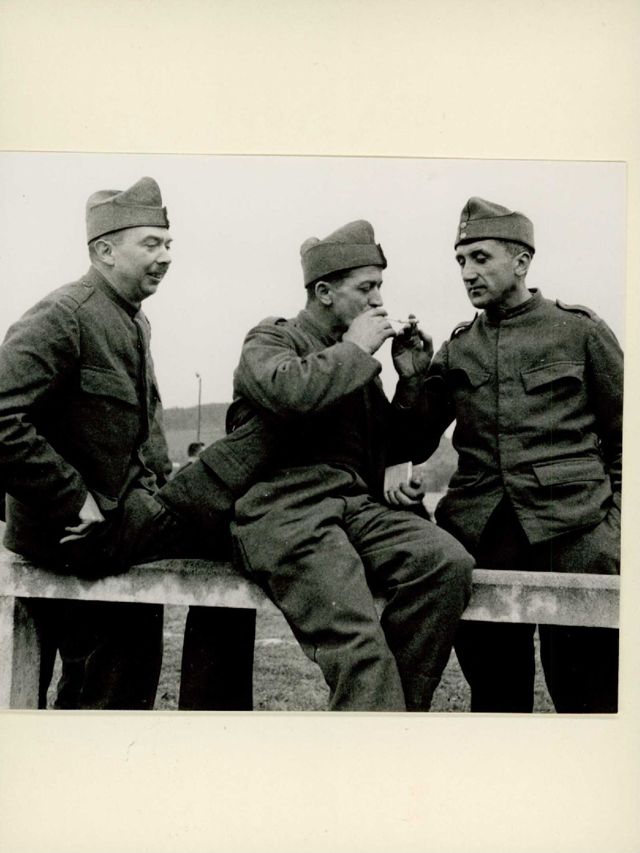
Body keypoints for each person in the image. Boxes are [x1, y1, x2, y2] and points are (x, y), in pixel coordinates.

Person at [0, 177, 254, 710]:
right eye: (151, 244)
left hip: (121, 523)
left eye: (168, 244)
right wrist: (71, 498)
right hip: (75, 532)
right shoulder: (65, 315)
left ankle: (209, 721)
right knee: (240, 532)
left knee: (241, 533)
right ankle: (212, 725)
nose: (166, 257)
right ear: (105, 251)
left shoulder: (132, 320)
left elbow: (138, 438)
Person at [226, 219, 475, 711]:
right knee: (360, 649)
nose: (378, 300)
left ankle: (389, 722)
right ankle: (379, 731)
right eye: (366, 288)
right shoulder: (272, 339)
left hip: (352, 509)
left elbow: (393, 449)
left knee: (446, 564)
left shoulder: (358, 363)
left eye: (380, 286)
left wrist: (410, 381)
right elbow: (288, 392)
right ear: (324, 292)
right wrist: (357, 349)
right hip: (287, 514)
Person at [395, 197, 622, 713]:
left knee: (588, 699)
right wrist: (411, 378)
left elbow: (625, 438)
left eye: (481, 258)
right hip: (482, 541)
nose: (467, 272)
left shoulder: (580, 331)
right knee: (497, 700)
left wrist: (615, 529)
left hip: (576, 538)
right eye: (460, 260)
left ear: (521, 261)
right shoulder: (457, 348)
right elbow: (411, 443)